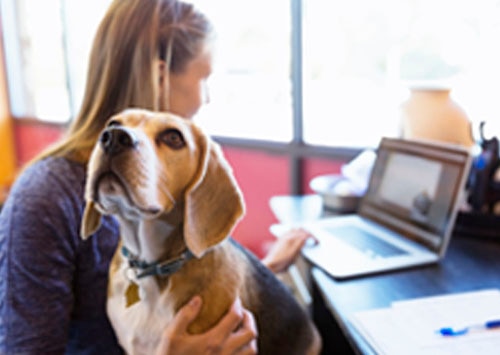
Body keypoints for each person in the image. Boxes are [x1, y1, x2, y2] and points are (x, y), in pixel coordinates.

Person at [0, 0, 313, 354]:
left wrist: (261, 278)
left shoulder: (168, 193)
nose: (205, 99)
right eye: (204, 78)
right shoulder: (42, 198)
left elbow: (179, 281)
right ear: (159, 76)